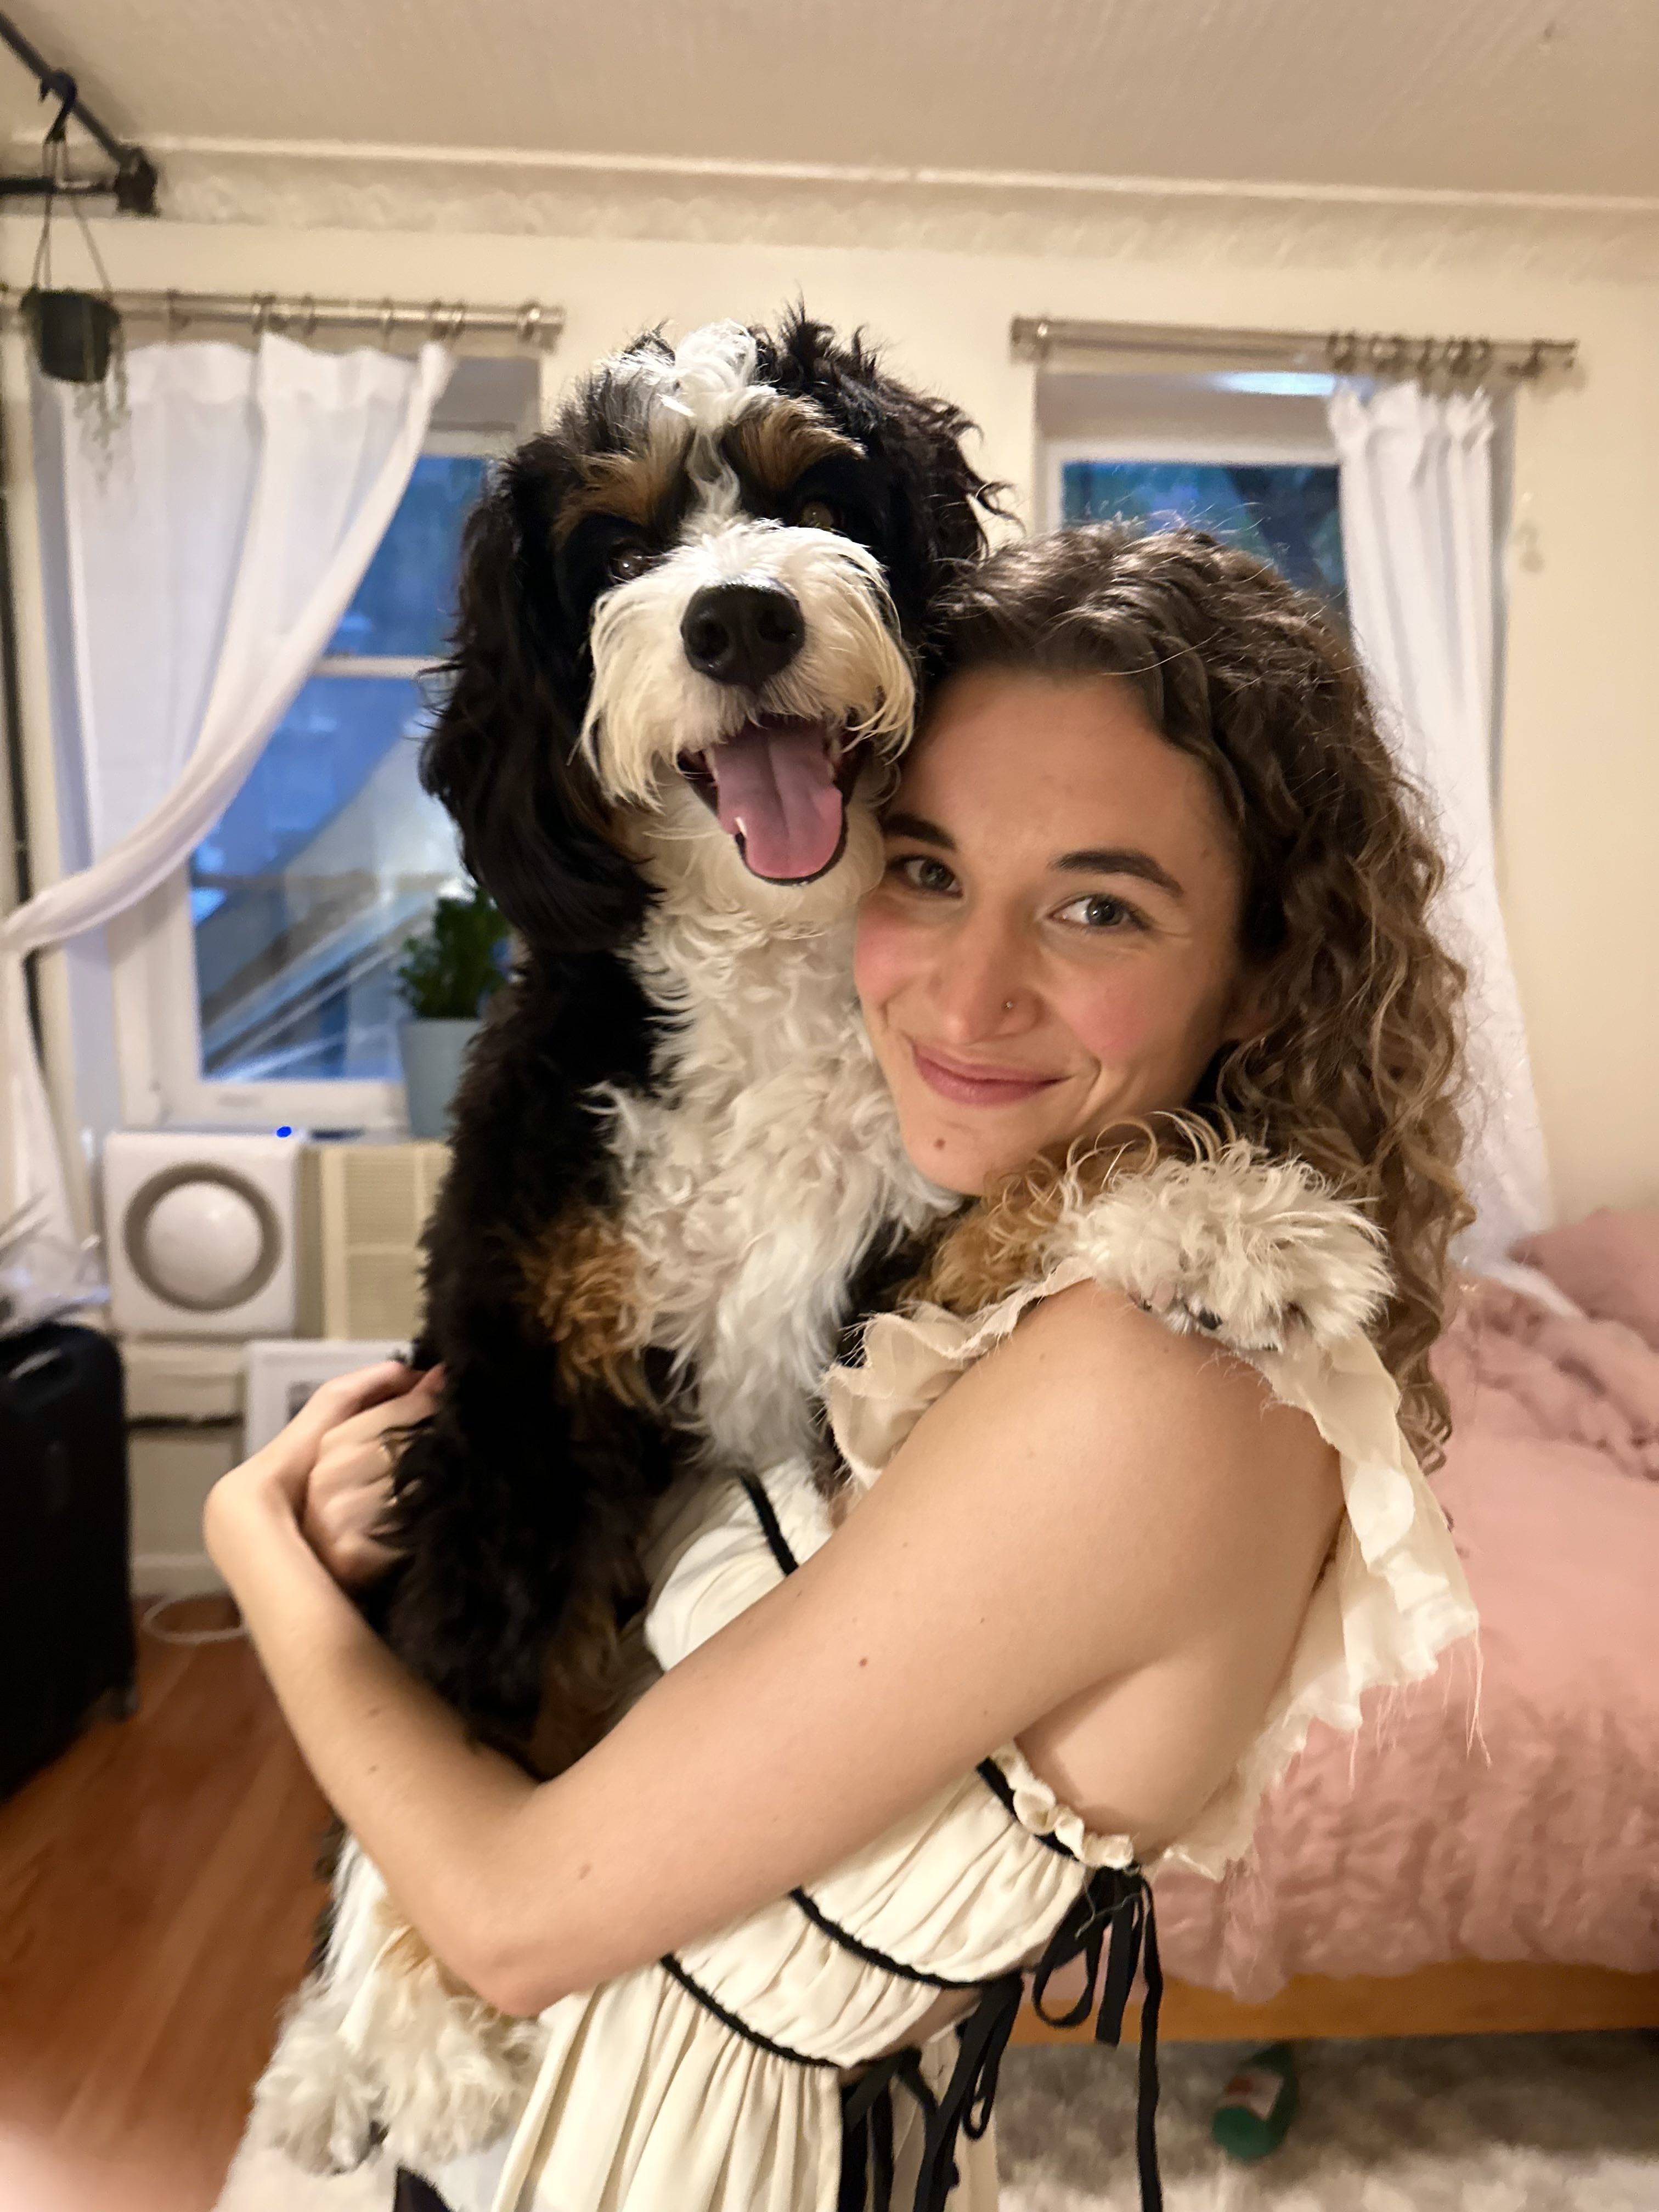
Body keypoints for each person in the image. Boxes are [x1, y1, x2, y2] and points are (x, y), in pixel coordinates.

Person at [207, 525, 1479, 2212]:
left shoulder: (1155, 1381)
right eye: (928, 869)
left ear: (1265, 969)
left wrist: (256, 1549)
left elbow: (511, 1920)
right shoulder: (992, 1266)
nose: (967, 991)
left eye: (1099, 907)